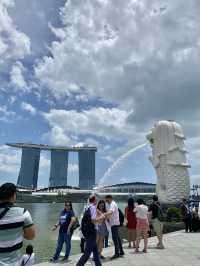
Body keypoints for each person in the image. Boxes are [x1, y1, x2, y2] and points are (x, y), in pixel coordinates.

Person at [0, 183, 35, 265]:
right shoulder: (23, 212)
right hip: (14, 262)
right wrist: (17, 231)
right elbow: (31, 236)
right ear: (13, 195)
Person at [76, 195, 104, 266]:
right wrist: (101, 217)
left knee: (95, 253)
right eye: (96, 200)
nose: (97, 201)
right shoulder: (93, 207)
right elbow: (93, 220)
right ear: (94, 201)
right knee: (87, 254)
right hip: (91, 233)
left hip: (88, 232)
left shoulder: (87, 207)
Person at [105, 195, 124, 259]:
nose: (106, 201)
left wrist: (103, 215)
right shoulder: (110, 204)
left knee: (115, 239)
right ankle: (121, 251)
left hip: (114, 224)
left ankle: (117, 253)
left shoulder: (113, 204)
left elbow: (110, 212)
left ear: (110, 198)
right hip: (114, 223)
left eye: (107, 200)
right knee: (117, 238)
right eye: (106, 200)